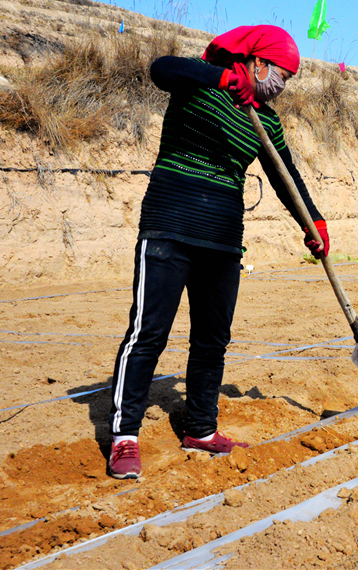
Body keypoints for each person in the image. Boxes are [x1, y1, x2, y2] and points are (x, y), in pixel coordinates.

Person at [107, 26, 329, 480]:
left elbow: (288, 178)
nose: (281, 85)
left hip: (224, 237)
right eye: (279, 73)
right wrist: (224, 80)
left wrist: (314, 222)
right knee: (148, 333)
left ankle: (201, 429)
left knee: (212, 339)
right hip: (170, 226)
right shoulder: (199, 82)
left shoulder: (264, 120)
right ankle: (124, 435)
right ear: (256, 62)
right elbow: (161, 68)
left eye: (288, 79)